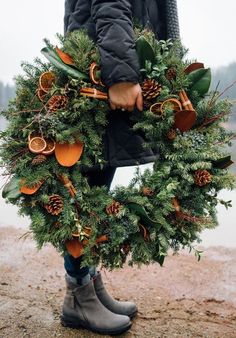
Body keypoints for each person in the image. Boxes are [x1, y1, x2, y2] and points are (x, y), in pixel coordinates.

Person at [62, 0, 180, 335]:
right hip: (101, 68)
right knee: (83, 190)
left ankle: (90, 286)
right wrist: (122, 75)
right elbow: (110, 4)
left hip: (109, 57)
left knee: (98, 184)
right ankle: (78, 295)